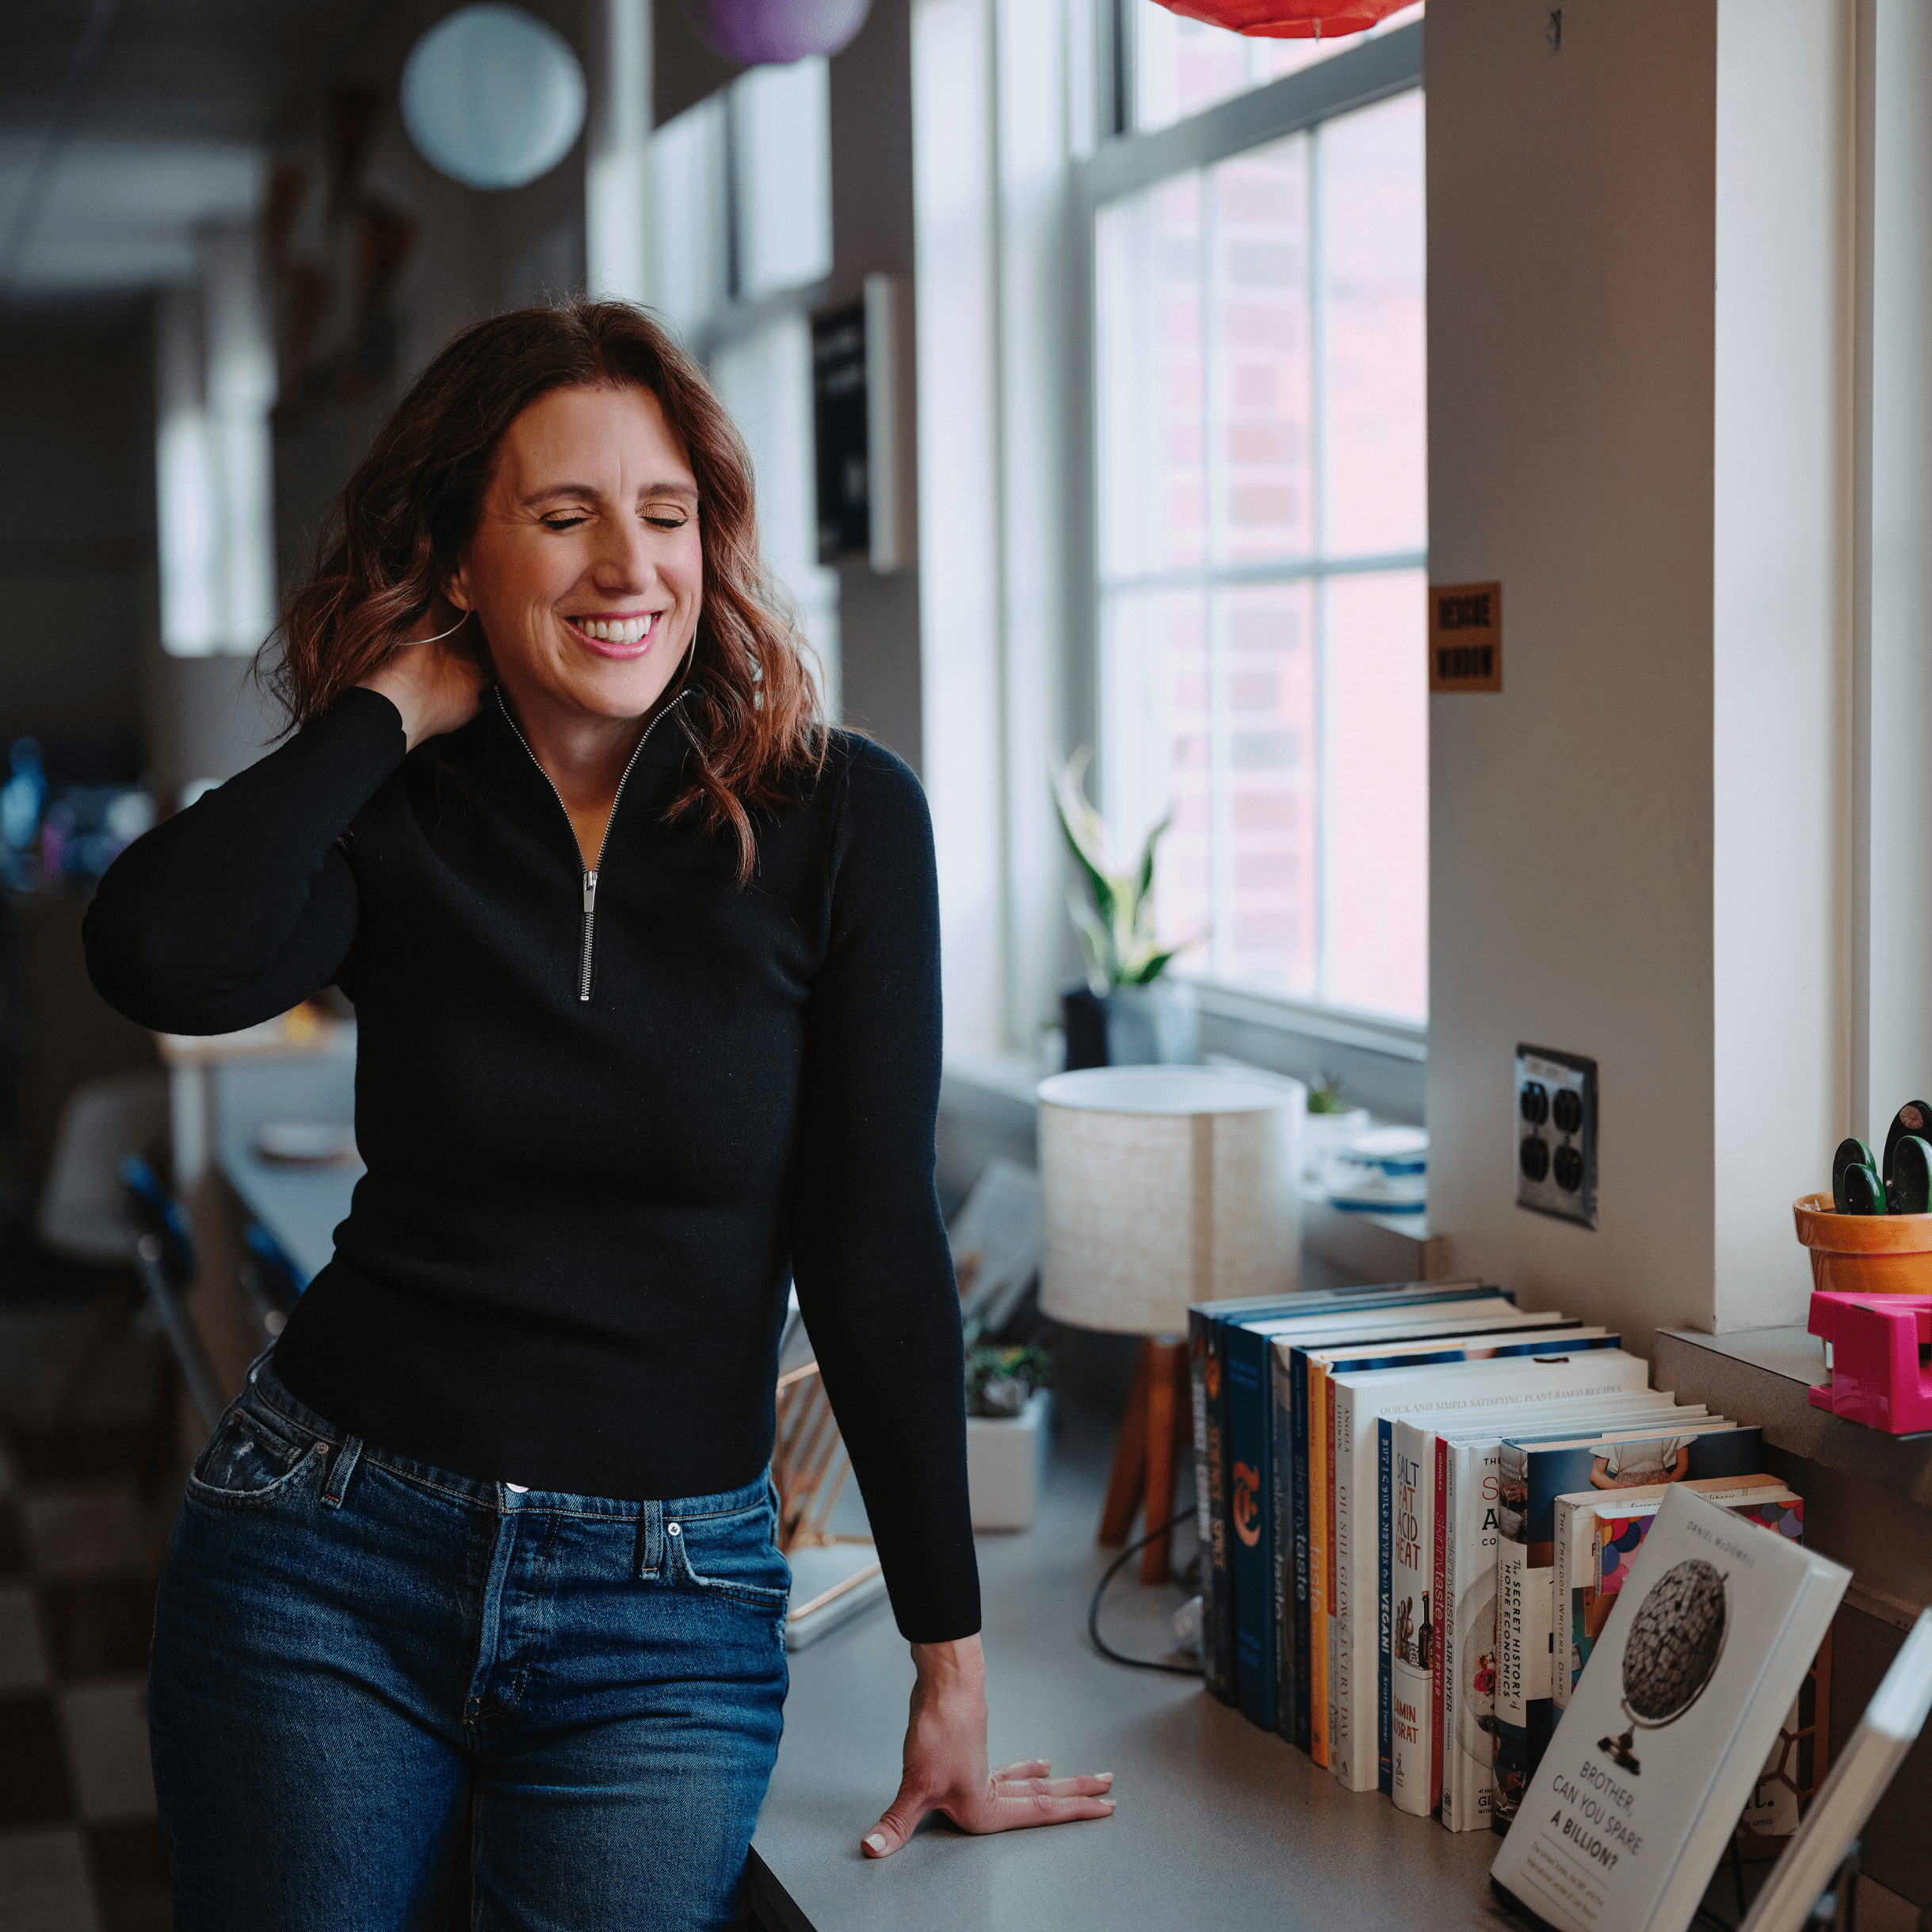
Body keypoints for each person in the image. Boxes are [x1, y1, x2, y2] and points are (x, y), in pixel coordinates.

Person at [85, 299, 1112, 1931]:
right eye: (561, 519)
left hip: (667, 1606)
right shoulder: (392, 812)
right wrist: (383, 712)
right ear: (457, 553)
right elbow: (153, 948)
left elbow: (868, 1246)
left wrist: (950, 1661)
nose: (628, 568)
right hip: (325, 1560)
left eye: (666, 514)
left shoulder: (842, 819)